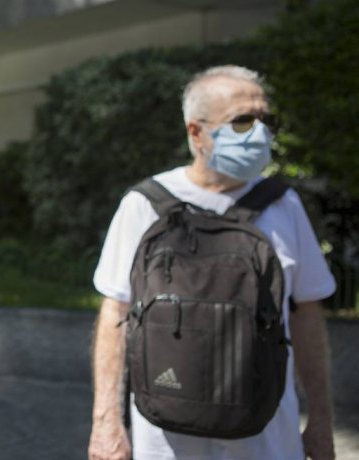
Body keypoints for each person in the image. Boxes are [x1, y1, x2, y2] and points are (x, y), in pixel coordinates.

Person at [87, 65, 335, 460]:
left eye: (265, 120)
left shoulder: (283, 204)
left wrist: (321, 420)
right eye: (242, 121)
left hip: (266, 436)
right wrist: (105, 422)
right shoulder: (144, 205)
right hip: (164, 438)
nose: (259, 132)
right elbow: (115, 313)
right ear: (196, 132)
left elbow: (306, 314)